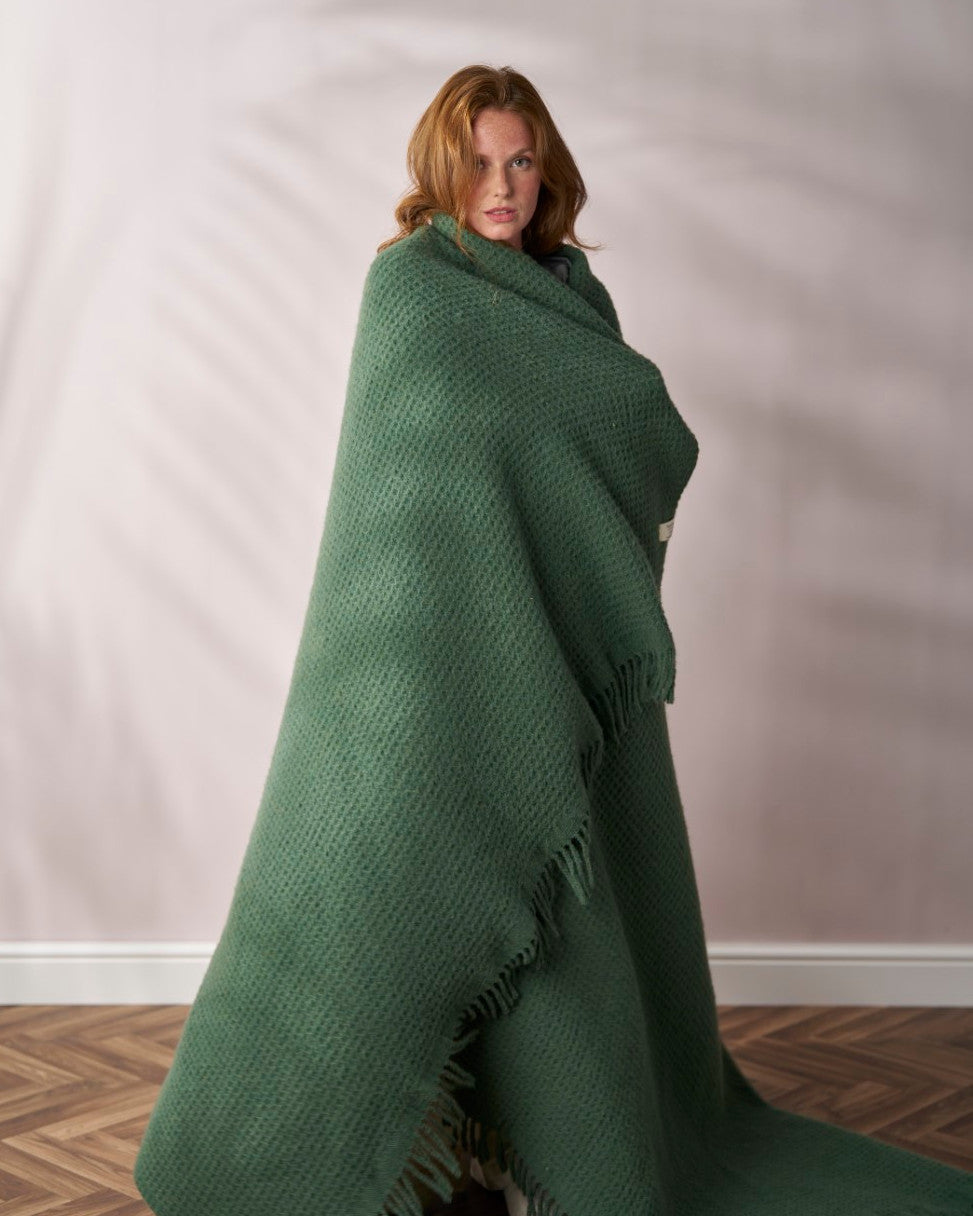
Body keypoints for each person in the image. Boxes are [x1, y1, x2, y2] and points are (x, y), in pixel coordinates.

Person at [134, 64, 973, 1216]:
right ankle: (394, 1161)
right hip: (422, 663)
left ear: (548, 169)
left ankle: (517, 1154)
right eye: (478, 162)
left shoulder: (577, 299)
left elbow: (622, 439)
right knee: (419, 902)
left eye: (520, 160)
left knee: (560, 926)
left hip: (555, 661)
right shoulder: (412, 295)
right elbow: (401, 489)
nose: (500, 185)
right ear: (442, 166)